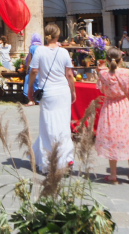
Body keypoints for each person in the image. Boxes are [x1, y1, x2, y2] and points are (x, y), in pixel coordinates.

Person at [95, 47, 129, 185]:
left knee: (111, 139)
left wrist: (99, 69)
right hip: (124, 106)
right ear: (121, 59)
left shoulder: (103, 74)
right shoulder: (127, 72)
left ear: (107, 59)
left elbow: (100, 87)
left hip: (110, 107)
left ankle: (113, 175)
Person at [28, 23, 76, 170]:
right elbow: (69, 74)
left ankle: (48, 160)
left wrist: (30, 89)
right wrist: (73, 90)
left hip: (47, 92)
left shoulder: (40, 51)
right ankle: (66, 157)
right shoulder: (64, 52)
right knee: (63, 125)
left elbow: (34, 71)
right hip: (62, 91)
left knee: (47, 125)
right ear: (58, 34)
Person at [23, 33, 43, 106]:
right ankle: (38, 99)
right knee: (38, 82)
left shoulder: (32, 47)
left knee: (31, 81)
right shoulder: (42, 47)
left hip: (33, 66)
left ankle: (32, 100)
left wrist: (27, 68)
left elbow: (29, 60)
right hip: (40, 67)